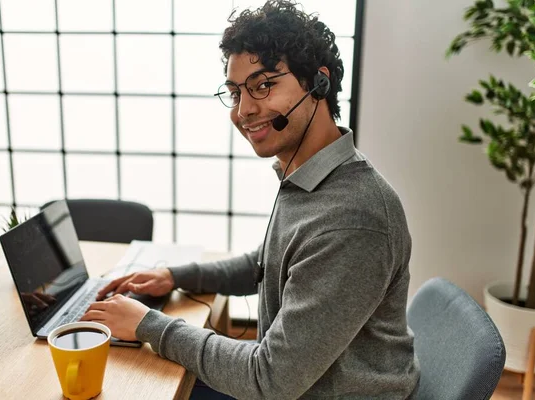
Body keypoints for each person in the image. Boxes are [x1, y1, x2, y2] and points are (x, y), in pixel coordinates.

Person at [81, 1, 420, 398]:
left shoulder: (352, 218)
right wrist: (174, 277)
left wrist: (147, 325)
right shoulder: (310, 181)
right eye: (235, 92)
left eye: (263, 85)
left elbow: (269, 381)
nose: (244, 110)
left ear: (318, 82)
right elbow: (263, 265)